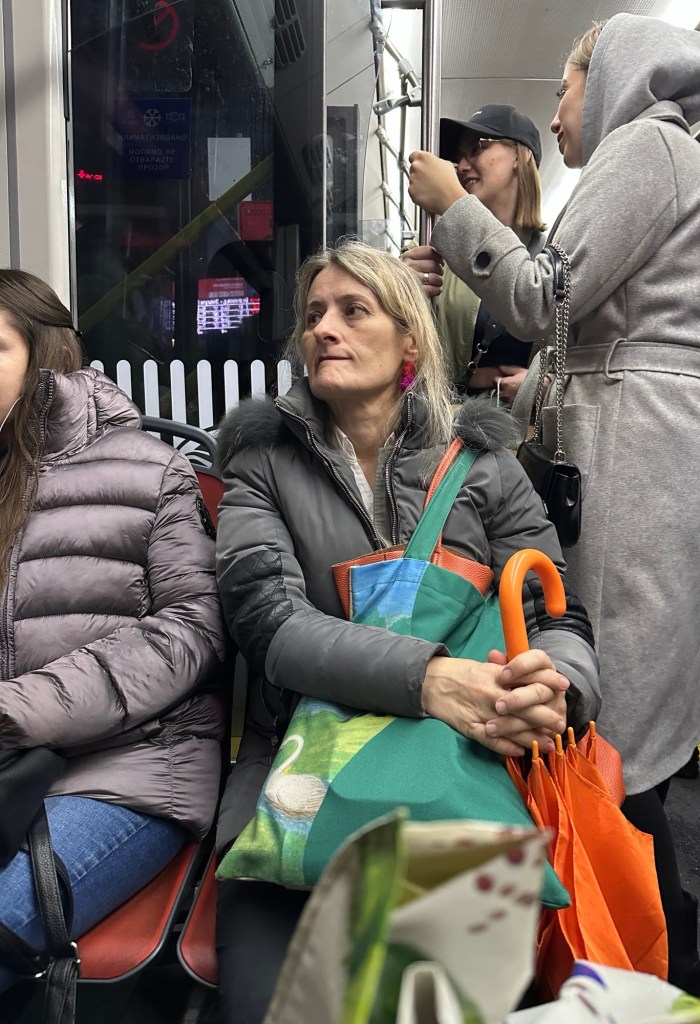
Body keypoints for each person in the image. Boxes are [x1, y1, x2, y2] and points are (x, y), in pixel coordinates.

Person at [407, 14, 700, 994]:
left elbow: (542, 300)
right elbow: (585, 327)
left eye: (564, 86)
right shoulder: (664, 158)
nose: (557, 112)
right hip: (642, 439)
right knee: (616, 711)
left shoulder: (649, 144)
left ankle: (654, 963)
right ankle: (640, 956)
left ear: (612, 77)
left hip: (639, 455)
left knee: (615, 726)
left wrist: (453, 208)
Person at [214, 239, 600, 1023]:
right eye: (313, 315)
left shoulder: (484, 465)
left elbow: (555, 614)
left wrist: (557, 690)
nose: (324, 329)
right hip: (294, 783)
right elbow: (270, 626)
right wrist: (429, 680)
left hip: (462, 775)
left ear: (409, 344)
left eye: (353, 311)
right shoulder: (260, 463)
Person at [0, 270, 228, 993]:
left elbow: (192, 632)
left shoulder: (150, 472)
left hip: (125, 771)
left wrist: (19, 709)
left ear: (45, 357)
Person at [402, 104, 546, 402]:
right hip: (450, 418)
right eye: (458, 157)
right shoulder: (430, 250)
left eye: (476, 148)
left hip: (527, 425)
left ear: (522, 155)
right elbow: (397, 353)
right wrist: (397, 291)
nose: (462, 166)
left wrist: (543, 386)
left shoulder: (554, 257)